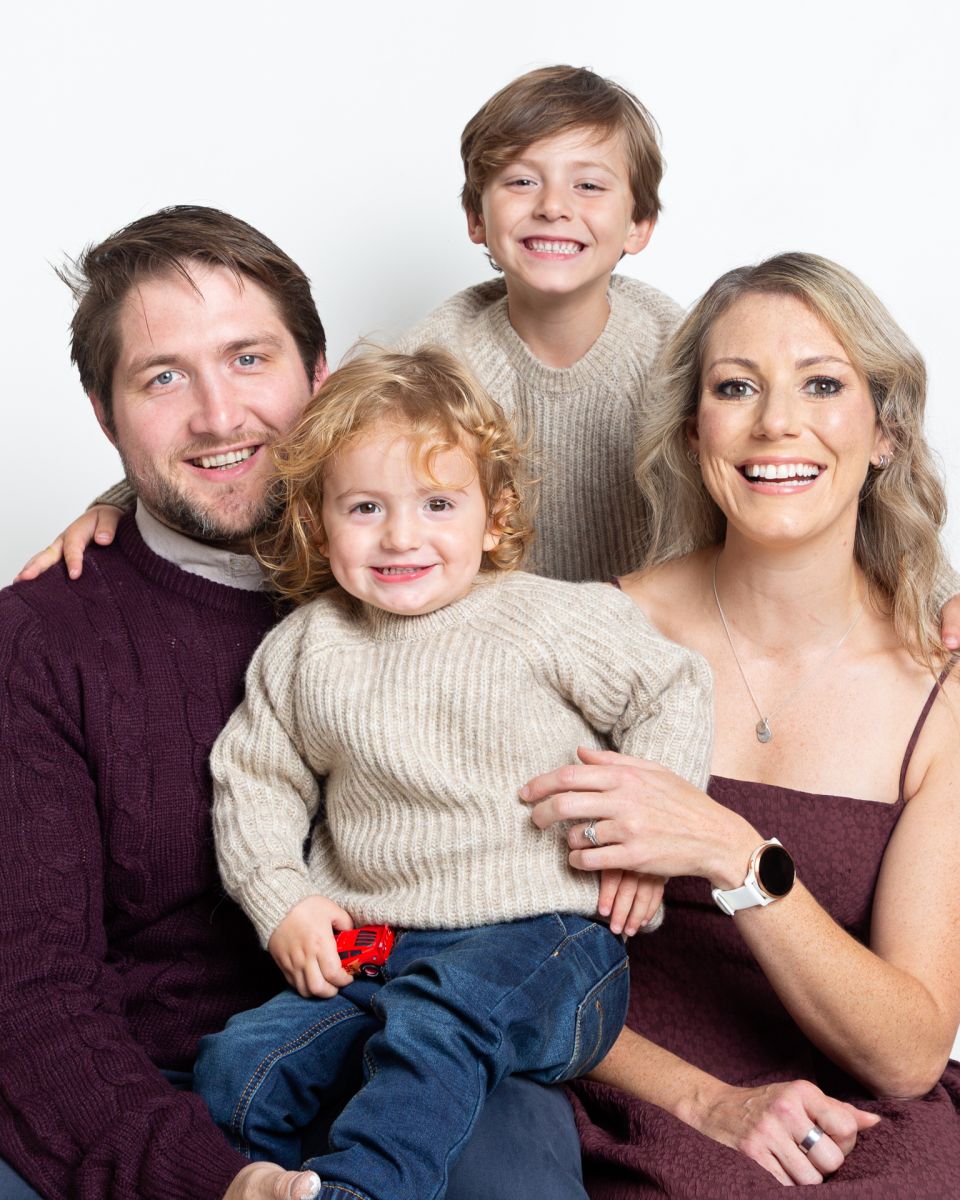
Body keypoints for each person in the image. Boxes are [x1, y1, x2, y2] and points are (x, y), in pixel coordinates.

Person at [0, 208, 579, 1200]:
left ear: (318, 379)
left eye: (248, 358)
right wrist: (209, 1182)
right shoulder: (43, 640)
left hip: (418, 1049)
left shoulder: (427, 571)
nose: (219, 416)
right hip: (151, 1085)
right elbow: (31, 993)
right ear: (105, 415)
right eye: (163, 377)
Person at [192, 345, 713, 1200]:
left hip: (542, 939)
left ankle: (365, 1189)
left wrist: (642, 840)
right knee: (237, 1064)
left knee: (439, 1028)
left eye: (438, 503)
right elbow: (254, 781)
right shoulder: (304, 649)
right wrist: (283, 899)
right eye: (366, 507)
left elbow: (675, 686)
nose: (402, 536)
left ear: (493, 516)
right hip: (376, 946)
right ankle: (267, 1184)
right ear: (319, 525)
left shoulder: (547, 615)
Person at [517, 253, 960, 1196]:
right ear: (691, 432)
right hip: (614, 1096)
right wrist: (702, 1100)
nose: (777, 424)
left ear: (884, 432)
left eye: (823, 383)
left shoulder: (941, 689)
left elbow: (910, 1054)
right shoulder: (582, 637)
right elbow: (486, 952)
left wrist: (733, 856)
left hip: (849, 1123)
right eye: (737, 387)